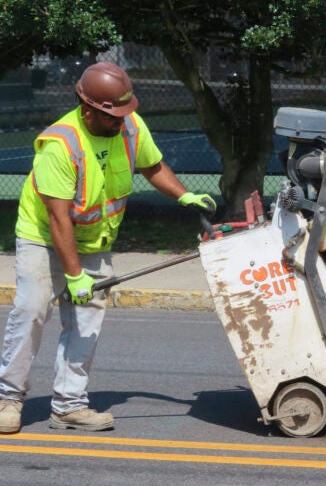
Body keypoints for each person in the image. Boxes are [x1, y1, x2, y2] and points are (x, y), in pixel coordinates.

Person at [0, 61, 216, 434]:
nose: (122, 121)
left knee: (86, 321)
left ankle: (69, 405)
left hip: (94, 238)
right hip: (44, 237)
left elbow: (153, 166)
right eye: (113, 115)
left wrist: (185, 197)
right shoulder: (60, 144)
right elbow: (58, 220)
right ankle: (8, 398)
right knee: (31, 310)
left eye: (124, 112)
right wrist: (73, 275)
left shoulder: (129, 125)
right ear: (89, 110)